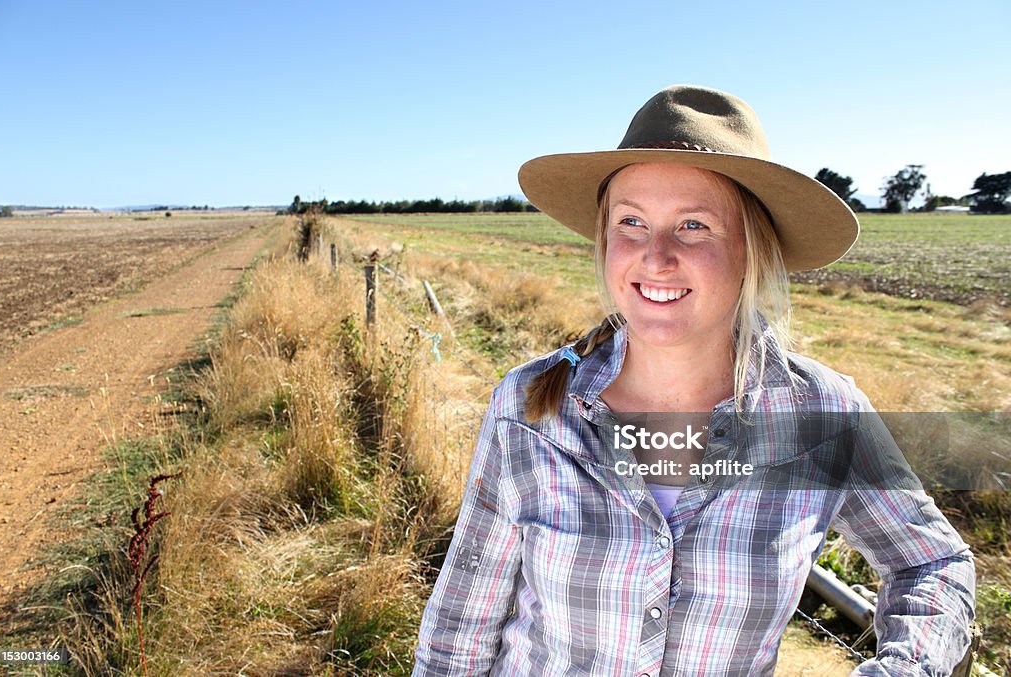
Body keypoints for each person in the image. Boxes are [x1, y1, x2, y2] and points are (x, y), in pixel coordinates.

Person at [413, 85, 975, 676]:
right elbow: (461, 625)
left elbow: (931, 563)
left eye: (693, 226)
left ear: (751, 250)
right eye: (631, 221)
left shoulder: (822, 415)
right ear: (604, 240)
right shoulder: (530, 406)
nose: (655, 258)